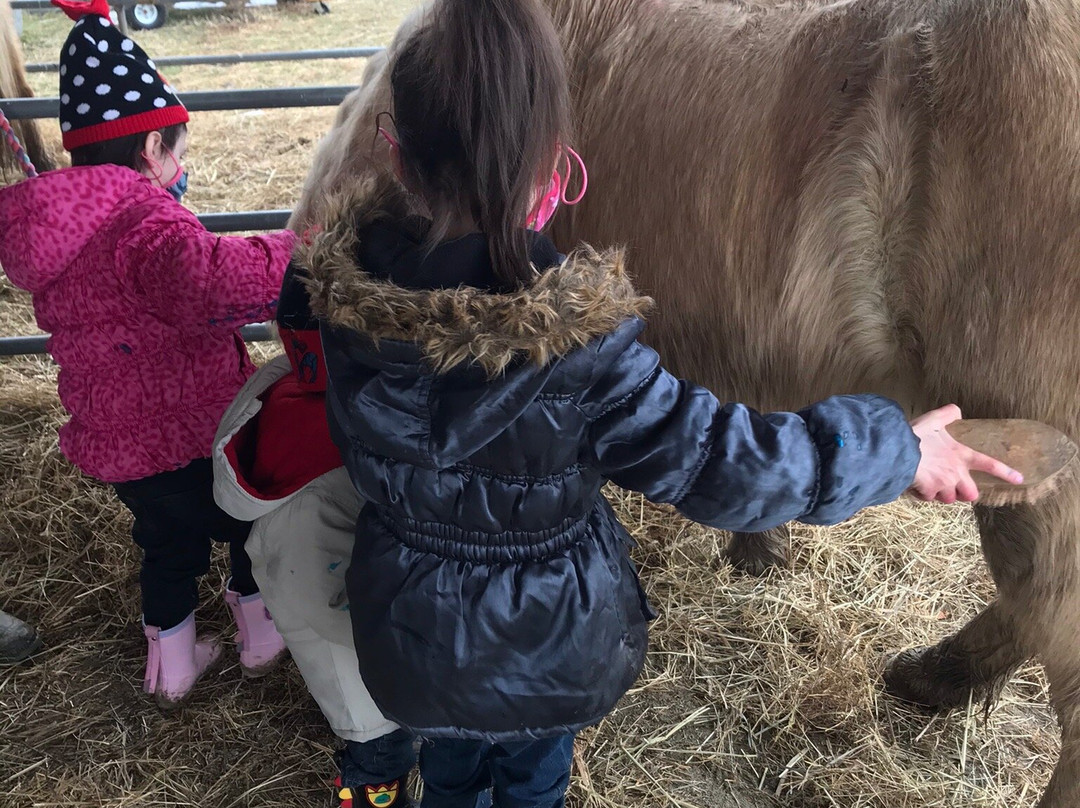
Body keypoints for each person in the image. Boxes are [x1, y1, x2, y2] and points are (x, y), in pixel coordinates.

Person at [292, 0, 1023, 805]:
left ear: (394, 155)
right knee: (532, 783)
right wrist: (897, 448)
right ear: (553, 175)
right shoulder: (585, 358)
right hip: (546, 657)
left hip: (408, 648)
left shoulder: (344, 311)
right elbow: (726, 465)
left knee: (452, 774)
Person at [0, 0, 292, 707]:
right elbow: (217, 283)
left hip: (122, 448)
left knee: (165, 547)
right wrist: (298, 251)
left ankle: (175, 663)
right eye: (179, 152)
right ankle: (260, 639)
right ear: (152, 151)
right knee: (248, 526)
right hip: (188, 437)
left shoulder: (60, 223)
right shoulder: (145, 224)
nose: (182, 169)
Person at [212, 268, 418, 808]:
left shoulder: (295, 392)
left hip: (344, 611)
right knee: (380, 760)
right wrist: (411, 646)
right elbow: (326, 604)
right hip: (361, 665)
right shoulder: (339, 456)